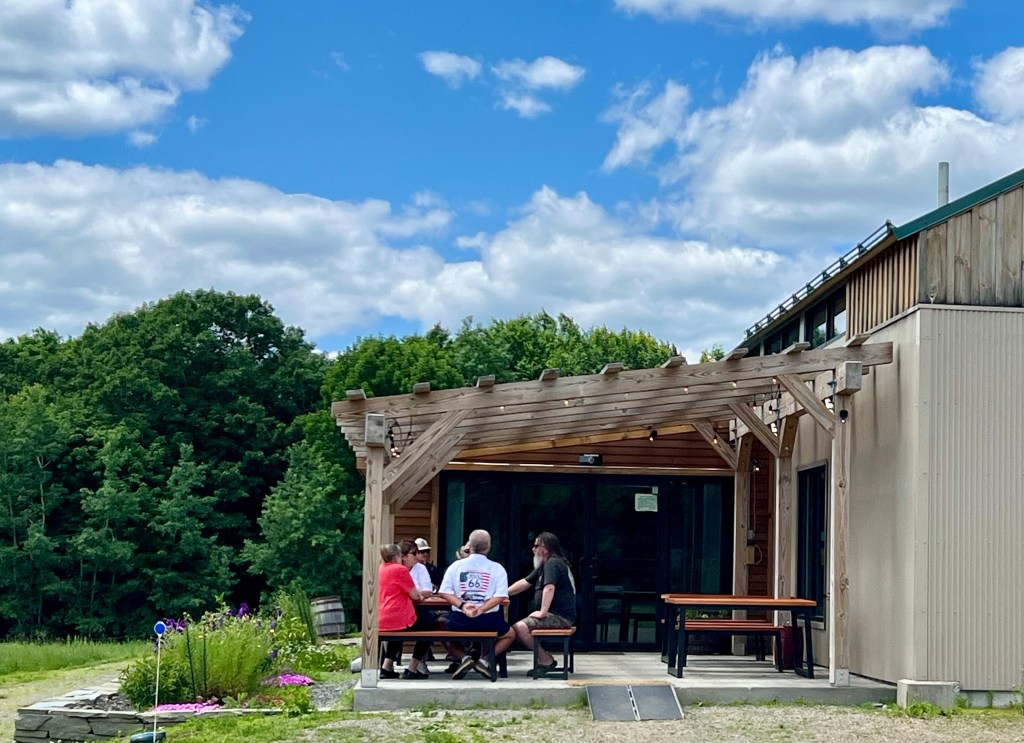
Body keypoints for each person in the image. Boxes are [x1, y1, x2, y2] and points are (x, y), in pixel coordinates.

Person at [437, 529, 515, 679]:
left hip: (460, 620)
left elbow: (444, 592)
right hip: (488, 621)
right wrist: (481, 609)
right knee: (510, 634)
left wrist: (462, 606)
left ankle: (463, 658)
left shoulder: (455, 566)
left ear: (470, 546)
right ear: (489, 547)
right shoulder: (497, 568)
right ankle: (484, 660)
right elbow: (500, 596)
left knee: (440, 626)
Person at [508, 532, 577, 676]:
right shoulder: (545, 565)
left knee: (520, 628)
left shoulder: (553, 563)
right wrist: (502, 594)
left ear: (545, 548)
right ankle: (544, 657)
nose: (533, 549)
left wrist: (543, 612)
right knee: (516, 630)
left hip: (560, 617)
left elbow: (549, 587)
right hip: (555, 615)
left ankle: (546, 660)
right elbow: (525, 582)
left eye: (536, 546)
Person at [377, 543, 434, 680]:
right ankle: (412, 668)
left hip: (382, 616)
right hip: (398, 615)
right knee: (430, 625)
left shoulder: (381, 568)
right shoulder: (400, 570)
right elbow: (415, 596)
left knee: (398, 630)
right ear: (398, 556)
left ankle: (386, 666)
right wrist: (420, 596)